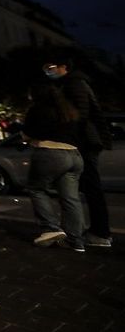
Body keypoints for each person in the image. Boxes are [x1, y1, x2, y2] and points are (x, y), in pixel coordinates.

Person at [44, 54, 113, 247]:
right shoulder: (73, 83)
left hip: (84, 142)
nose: (48, 71)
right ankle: (92, 231)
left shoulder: (74, 84)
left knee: (90, 189)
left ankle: (100, 233)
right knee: (85, 189)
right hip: (84, 142)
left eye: (51, 67)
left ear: (64, 66)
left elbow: (79, 116)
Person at [23, 83, 85, 251]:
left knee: (36, 189)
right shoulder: (68, 109)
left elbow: (27, 132)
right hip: (75, 155)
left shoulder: (38, 109)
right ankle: (75, 240)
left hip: (50, 152)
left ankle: (50, 228)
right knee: (70, 198)